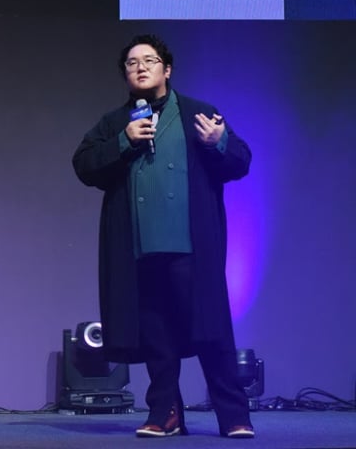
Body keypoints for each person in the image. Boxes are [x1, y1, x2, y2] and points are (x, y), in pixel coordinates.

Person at [72, 34, 254, 439]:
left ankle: (233, 415)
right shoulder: (115, 123)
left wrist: (219, 142)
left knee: (212, 332)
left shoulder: (197, 113)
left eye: (149, 60)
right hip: (140, 247)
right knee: (156, 336)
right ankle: (166, 413)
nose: (140, 67)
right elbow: (83, 164)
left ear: (167, 69)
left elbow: (241, 160)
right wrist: (124, 141)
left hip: (191, 247)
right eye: (132, 62)